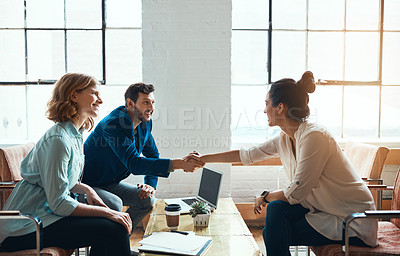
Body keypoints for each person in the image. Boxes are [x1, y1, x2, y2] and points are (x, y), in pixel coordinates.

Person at [186, 71, 378, 255]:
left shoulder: (314, 137)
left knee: (273, 233)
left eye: (267, 103)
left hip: (352, 220)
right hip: (324, 210)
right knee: (276, 215)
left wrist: (265, 196)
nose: (264, 109)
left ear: (280, 107)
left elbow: (297, 192)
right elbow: (248, 154)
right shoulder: (285, 138)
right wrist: (204, 159)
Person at [0, 73, 136, 256]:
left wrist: (87, 189)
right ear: (74, 95)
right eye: (95, 93)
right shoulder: (58, 140)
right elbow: (59, 203)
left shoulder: (74, 134)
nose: (101, 100)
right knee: (113, 228)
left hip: (47, 216)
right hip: (24, 227)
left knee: (112, 229)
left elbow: (62, 180)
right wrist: (108, 213)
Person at [82, 82, 204, 229]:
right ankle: (111, 244)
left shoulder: (144, 123)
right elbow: (134, 164)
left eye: (152, 102)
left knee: (147, 200)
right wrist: (179, 164)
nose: (151, 108)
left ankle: (117, 240)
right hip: (88, 184)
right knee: (115, 204)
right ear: (130, 103)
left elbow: (153, 155)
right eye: (146, 102)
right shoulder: (114, 124)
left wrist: (149, 186)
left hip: (110, 182)